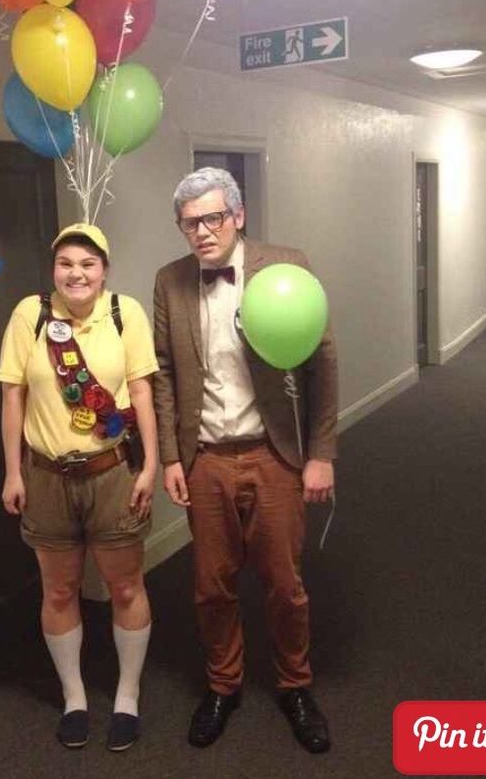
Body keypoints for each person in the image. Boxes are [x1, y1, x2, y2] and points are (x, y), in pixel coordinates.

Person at [153, 168, 338, 753]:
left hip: (275, 452)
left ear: (238, 215)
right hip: (205, 456)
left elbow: (320, 360)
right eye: (190, 223)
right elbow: (162, 373)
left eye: (212, 217)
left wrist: (322, 453)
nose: (202, 231)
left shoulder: (287, 265)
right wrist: (169, 457)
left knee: (285, 583)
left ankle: (295, 685)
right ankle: (222, 684)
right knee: (212, 585)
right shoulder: (170, 281)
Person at [0, 223, 159, 752]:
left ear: (104, 270)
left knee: (126, 586)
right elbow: (13, 397)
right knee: (59, 590)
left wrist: (151, 465)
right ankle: (74, 698)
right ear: (53, 270)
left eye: (88, 264)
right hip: (46, 476)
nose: (76, 273)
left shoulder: (124, 313)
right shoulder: (31, 314)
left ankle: (127, 696)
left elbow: (140, 391)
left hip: (112, 471)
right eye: (66, 263)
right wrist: (13, 471)